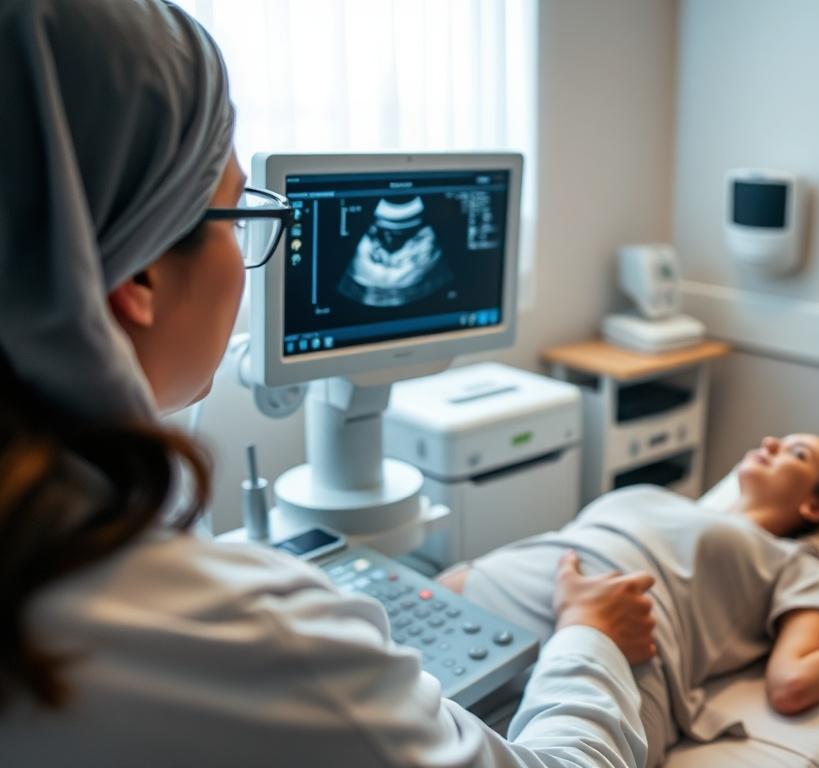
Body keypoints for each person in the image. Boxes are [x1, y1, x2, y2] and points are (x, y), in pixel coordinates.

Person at [0, 2, 659, 766]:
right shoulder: (251, 634)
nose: (251, 251)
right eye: (238, 213)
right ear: (139, 277)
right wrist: (589, 636)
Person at [438, 433, 819, 767]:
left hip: (622, 650)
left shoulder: (799, 564)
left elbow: (793, 684)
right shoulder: (678, 505)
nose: (769, 442)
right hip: (492, 597)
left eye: (796, 452)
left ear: (814, 505)